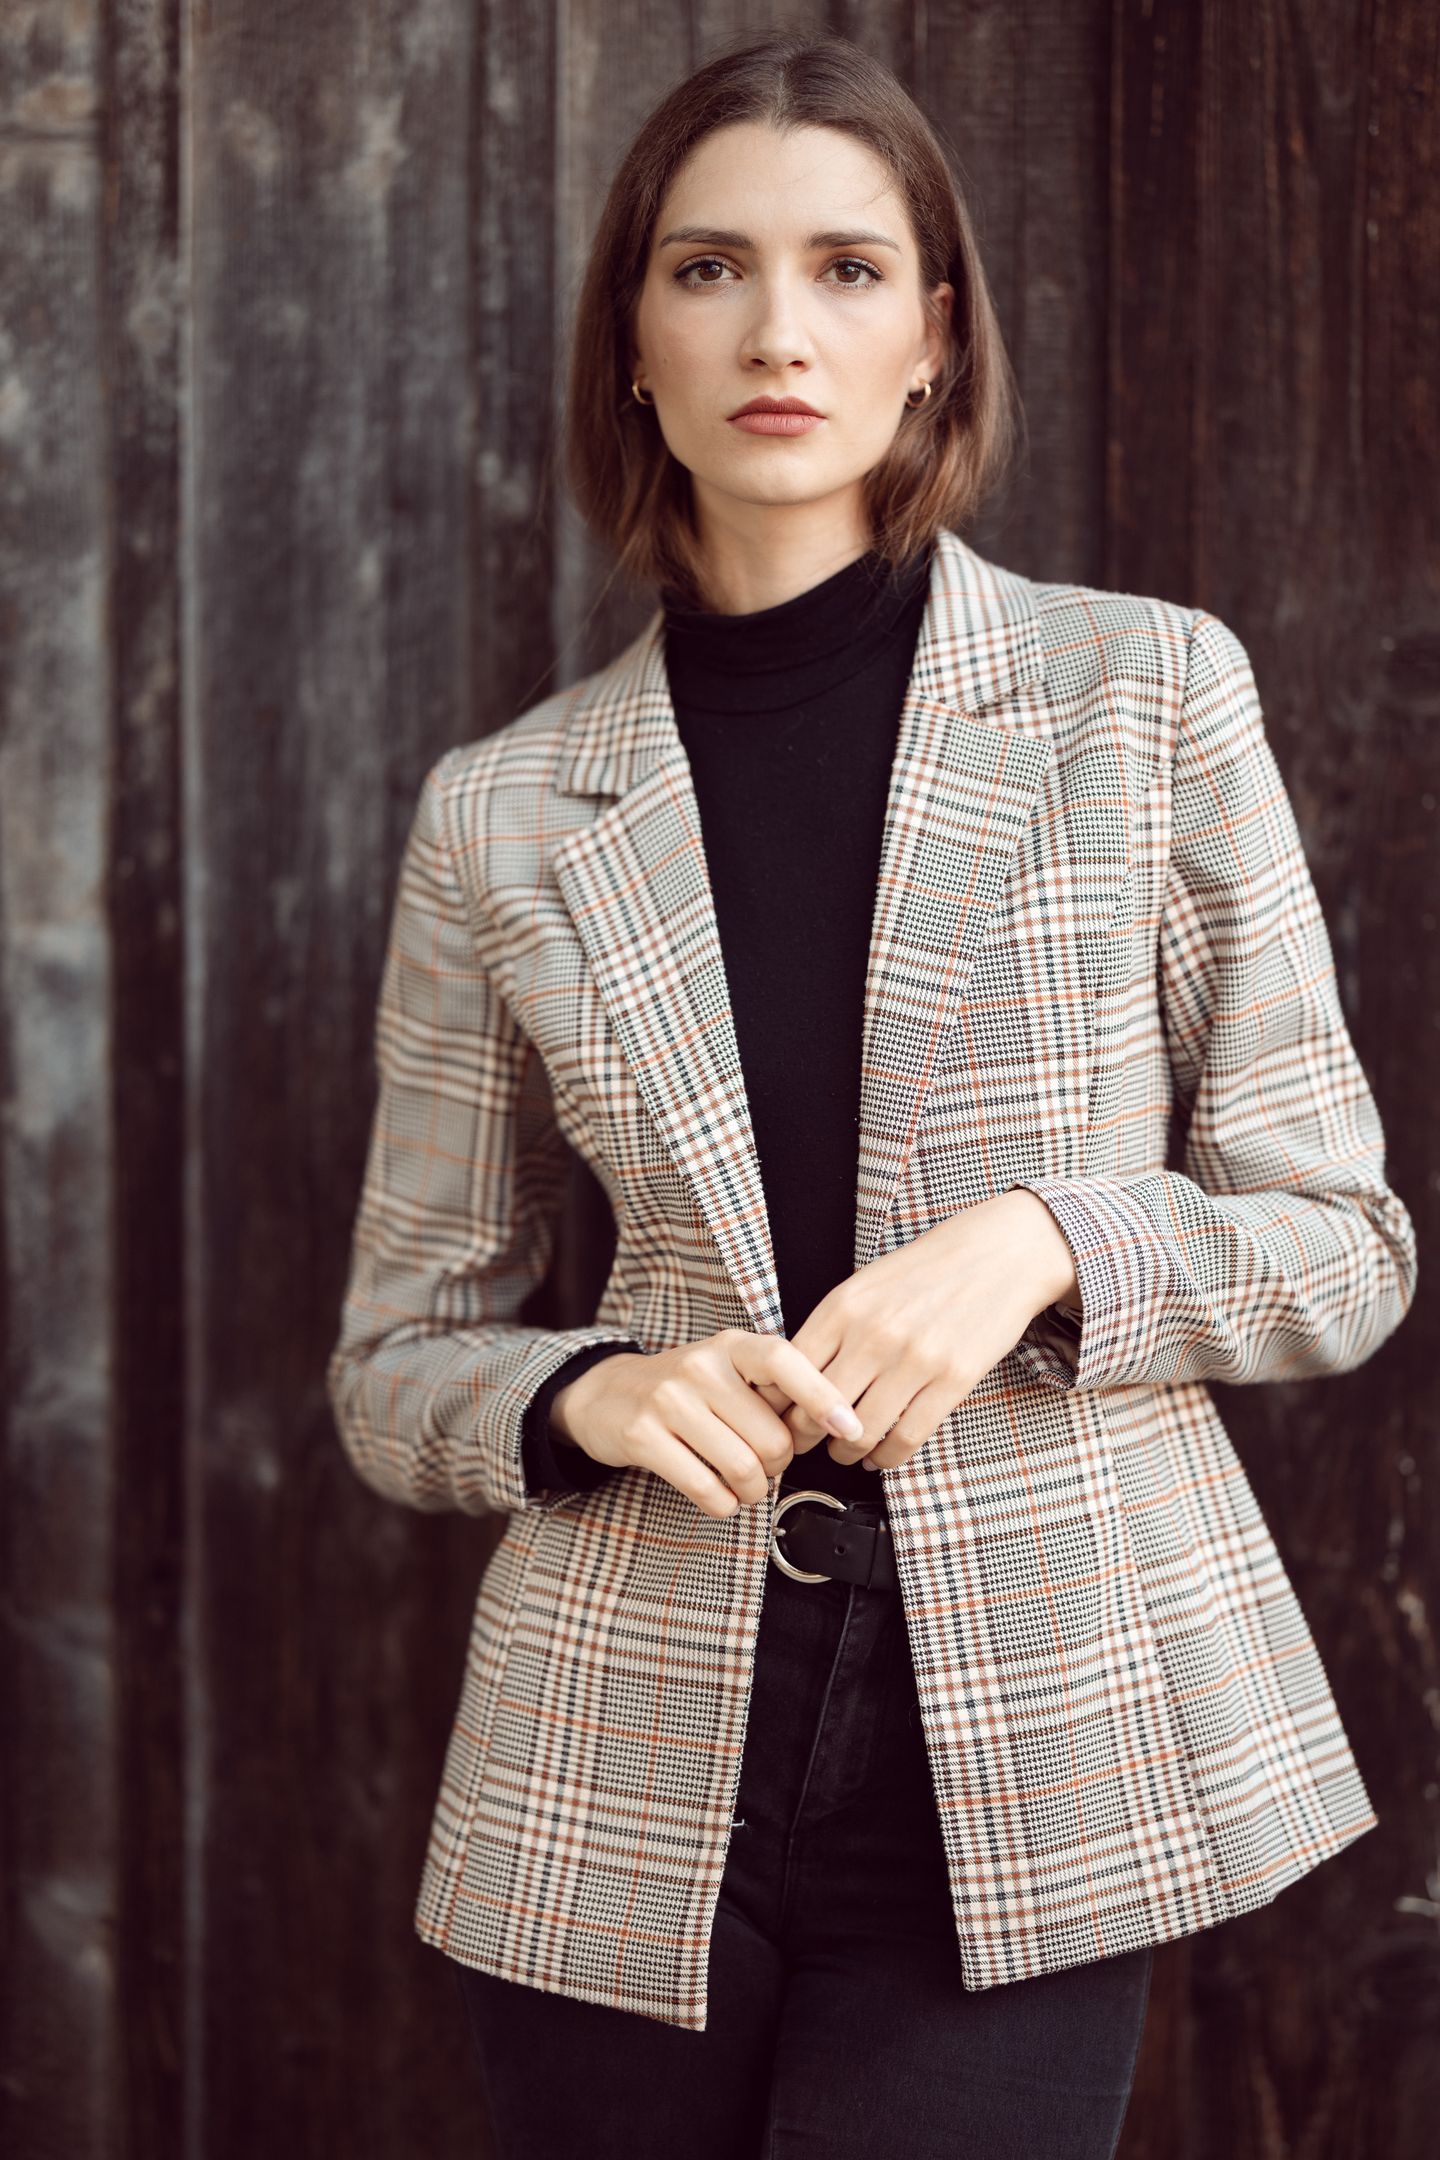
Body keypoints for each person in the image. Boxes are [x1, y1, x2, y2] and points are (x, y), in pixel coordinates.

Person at [324, 29, 1418, 2160]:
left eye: (846, 269)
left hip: (1035, 1736)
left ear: (934, 338)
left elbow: (1343, 1246)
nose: (777, 332)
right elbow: (394, 1364)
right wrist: (589, 1396)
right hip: (614, 1759)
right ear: (632, 344)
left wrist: (1048, 1239)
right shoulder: (505, 813)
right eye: (708, 269)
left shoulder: (1140, 696)